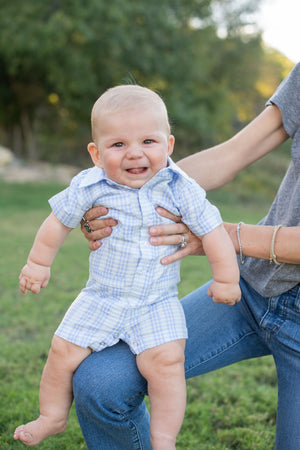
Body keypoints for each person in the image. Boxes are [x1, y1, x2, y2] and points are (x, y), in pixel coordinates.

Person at [74, 63, 300, 450]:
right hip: (252, 288)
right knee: (100, 383)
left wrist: (222, 234)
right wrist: (115, 194)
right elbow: (236, 152)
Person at [14, 85, 241, 449]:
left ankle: (164, 437)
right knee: (61, 351)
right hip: (102, 297)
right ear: (96, 153)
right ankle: (52, 417)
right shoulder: (90, 185)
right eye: (118, 144)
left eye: (148, 141)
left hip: (156, 302)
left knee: (167, 363)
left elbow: (213, 232)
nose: (135, 153)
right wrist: (38, 264)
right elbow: (57, 222)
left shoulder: (181, 188)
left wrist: (226, 278)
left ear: (168, 146)